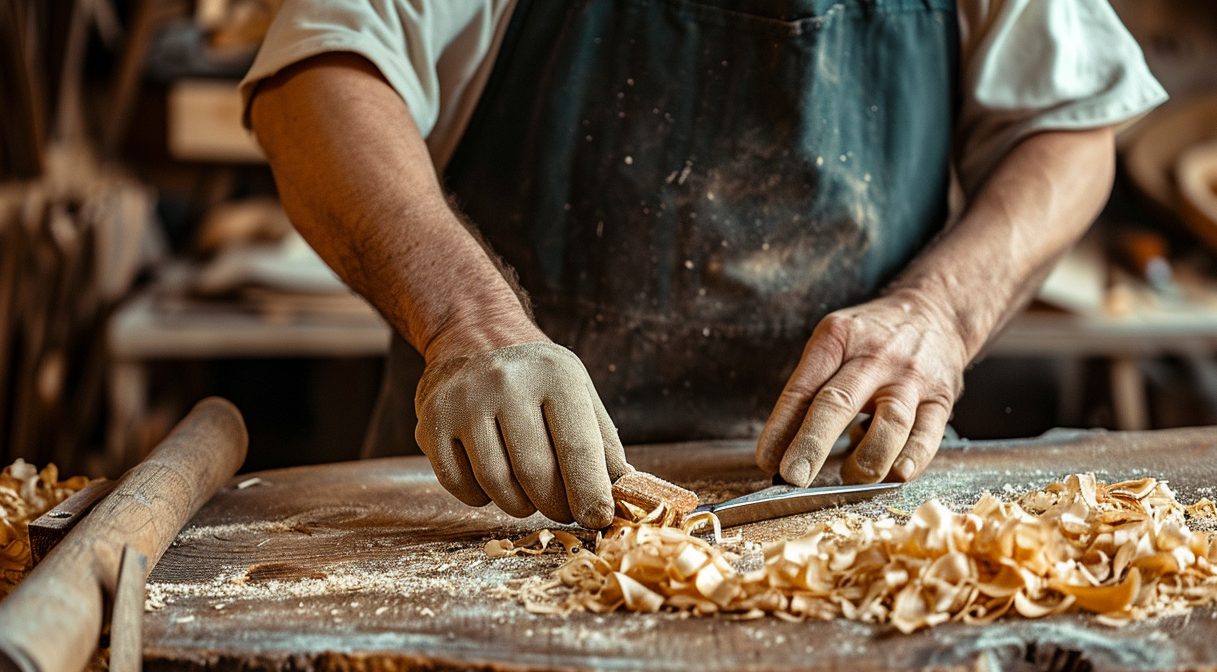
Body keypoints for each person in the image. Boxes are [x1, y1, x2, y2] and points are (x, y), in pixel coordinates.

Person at [244, 0, 1166, 529]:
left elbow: (1071, 125)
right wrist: (469, 324)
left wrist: (942, 313)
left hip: (847, 493)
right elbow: (319, 76)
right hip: (494, 503)